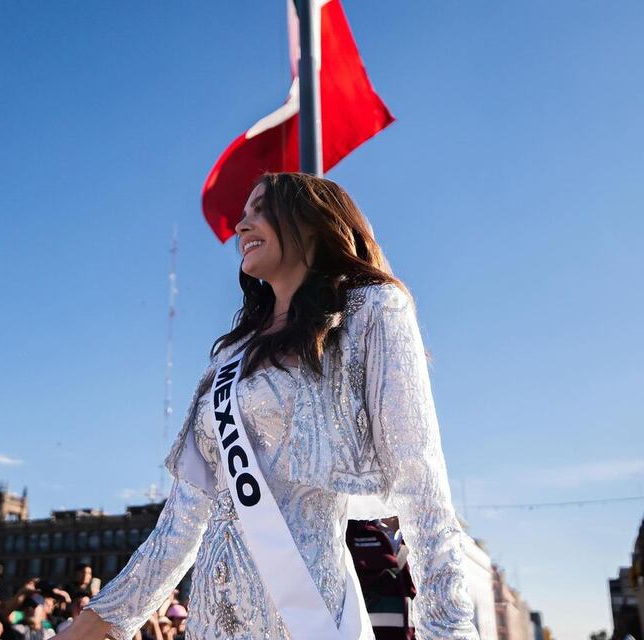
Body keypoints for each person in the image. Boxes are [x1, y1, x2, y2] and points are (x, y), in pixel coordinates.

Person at [55, 172, 478, 639]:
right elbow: (181, 520)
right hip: (211, 620)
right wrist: (98, 623)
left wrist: (449, 630)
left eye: (260, 210)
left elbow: (420, 483)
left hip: (305, 615)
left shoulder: (371, 311)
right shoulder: (231, 354)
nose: (241, 227)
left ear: (314, 223)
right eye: (241, 217)